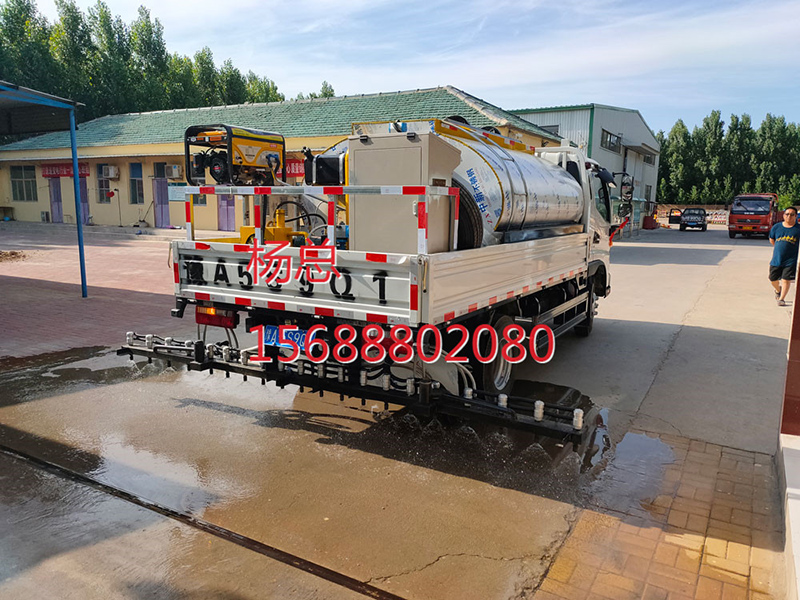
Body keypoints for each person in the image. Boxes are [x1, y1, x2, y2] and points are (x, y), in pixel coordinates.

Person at [769, 206, 800, 306]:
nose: (789, 216)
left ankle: (781, 299)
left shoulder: (798, 229)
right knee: (772, 279)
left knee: (786, 280)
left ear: (796, 216)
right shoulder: (776, 227)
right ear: (783, 215)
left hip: (791, 260)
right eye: (787, 214)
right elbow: (772, 239)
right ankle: (778, 290)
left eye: (792, 214)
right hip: (777, 259)